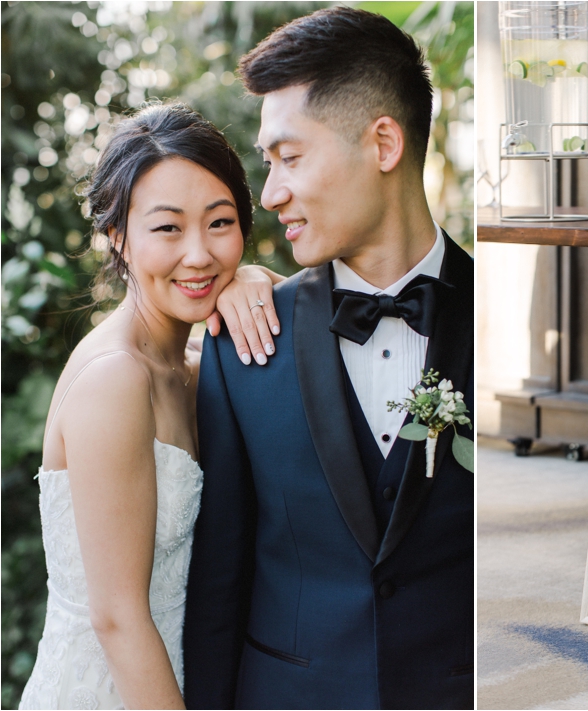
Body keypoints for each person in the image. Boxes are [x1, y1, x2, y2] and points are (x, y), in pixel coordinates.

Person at [182, 7, 474, 709]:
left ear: (382, 143)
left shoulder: (504, 327)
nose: (272, 192)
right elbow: (219, 584)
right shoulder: (243, 339)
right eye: (268, 164)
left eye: (290, 157)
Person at [18, 103, 282, 710]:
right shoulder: (116, 379)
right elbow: (117, 618)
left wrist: (259, 280)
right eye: (167, 228)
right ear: (119, 236)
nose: (199, 255)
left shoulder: (196, 359)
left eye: (219, 224)